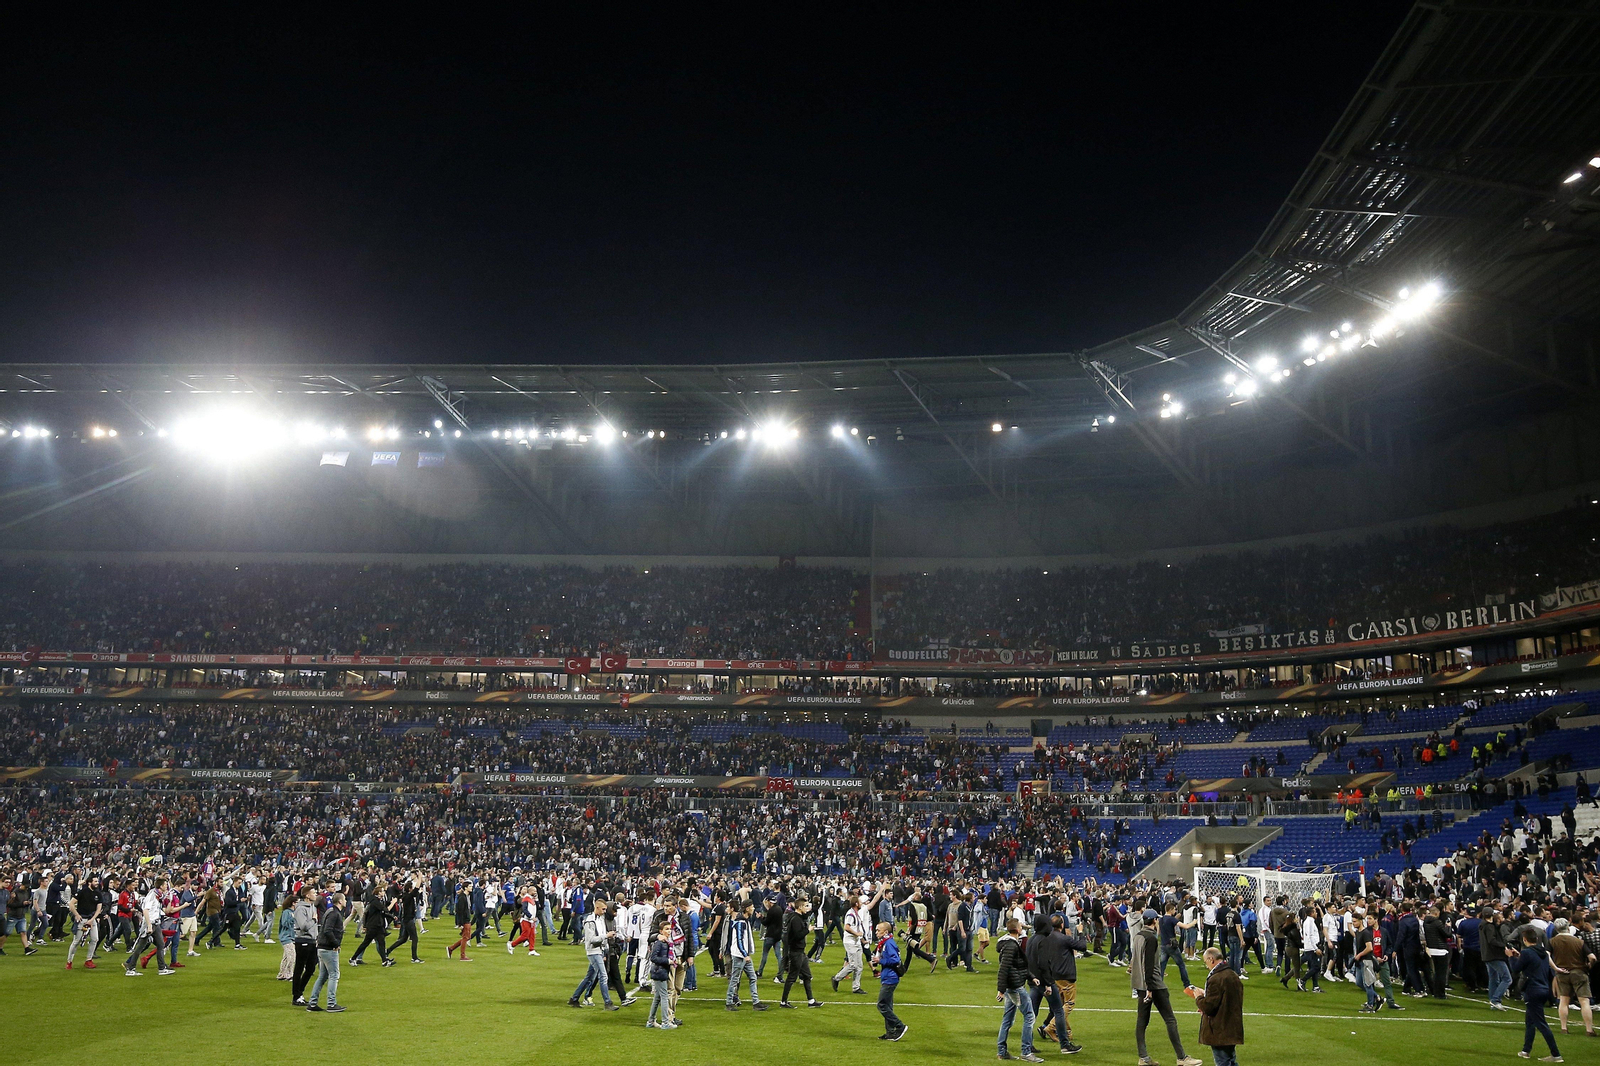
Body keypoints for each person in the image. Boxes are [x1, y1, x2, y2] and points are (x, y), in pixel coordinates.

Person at [1131, 908, 1202, 1066]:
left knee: (1142, 1021)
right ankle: (1182, 1057)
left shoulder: (1138, 936)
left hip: (1141, 985)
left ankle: (1143, 1057)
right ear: (1155, 921)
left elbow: (1135, 960)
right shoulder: (1150, 938)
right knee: (1170, 1020)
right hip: (1153, 985)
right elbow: (1149, 964)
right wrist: (1150, 987)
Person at [1508, 926, 1562, 1061]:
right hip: (1544, 989)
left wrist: (1511, 957)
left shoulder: (1527, 953)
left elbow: (1515, 969)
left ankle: (1556, 1054)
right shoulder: (1543, 952)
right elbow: (1533, 963)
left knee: (1541, 1023)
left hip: (1532, 990)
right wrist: (1519, 956)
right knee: (1530, 1022)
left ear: (1524, 940)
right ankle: (1526, 1050)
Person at [1185, 946, 1244, 1066]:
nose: (1206, 965)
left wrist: (1199, 997)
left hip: (1220, 1028)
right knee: (1231, 1060)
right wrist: (1206, 994)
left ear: (1211, 959)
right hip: (1232, 1026)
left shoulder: (1216, 978)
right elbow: (1225, 999)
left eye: (1206, 961)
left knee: (1222, 1062)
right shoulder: (1232, 975)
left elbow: (1209, 1007)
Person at [996, 916, 1043, 1062]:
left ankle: (1002, 1051)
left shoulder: (1009, 943)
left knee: (1008, 1019)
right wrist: (1001, 990)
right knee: (1030, 1017)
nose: (1022, 928)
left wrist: (1031, 977)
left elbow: (1018, 965)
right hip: (1015, 987)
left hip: (1012, 986)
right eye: (1021, 926)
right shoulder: (1011, 946)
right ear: (1017, 929)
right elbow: (1004, 968)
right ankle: (1026, 1052)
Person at [1549, 920, 1595, 1038]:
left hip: (1562, 973)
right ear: (1568, 927)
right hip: (1579, 972)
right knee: (1584, 1002)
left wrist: (1555, 968)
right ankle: (1589, 1029)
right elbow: (1592, 957)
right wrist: (1589, 966)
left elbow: (1546, 955)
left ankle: (1564, 1027)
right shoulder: (1579, 942)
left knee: (1564, 1001)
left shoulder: (1552, 941)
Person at [306, 890, 346, 1013]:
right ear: (340, 901)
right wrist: (336, 944)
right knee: (334, 975)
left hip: (322, 947)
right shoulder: (335, 914)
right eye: (344, 899)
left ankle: (312, 1003)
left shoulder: (330, 911)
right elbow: (328, 930)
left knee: (322, 976)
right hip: (329, 948)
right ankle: (331, 1003)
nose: (345, 901)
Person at [725, 899, 768, 1011]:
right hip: (740, 955)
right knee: (735, 979)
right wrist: (745, 954)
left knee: (753, 977)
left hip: (743, 955)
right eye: (752, 907)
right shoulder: (740, 922)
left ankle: (756, 1002)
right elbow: (739, 940)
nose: (753, 909)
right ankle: (729, 1002)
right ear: (747, 908)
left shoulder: (744, 921)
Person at [780, 897, 823, 1008]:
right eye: (805, 906)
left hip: (800, 953)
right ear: (799, 907)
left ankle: (811, 1001)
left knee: (807, 976)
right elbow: (798, 935)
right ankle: (783, 1002)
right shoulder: (795, 919)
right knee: (792, 977)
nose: (807, 908)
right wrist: (808, 930)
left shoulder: (797, 917)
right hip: (796, 952)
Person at [872, 920, 908, 1041]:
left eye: (878, 930)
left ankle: (899, 1026)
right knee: (887, 1005)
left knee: (881, 1005)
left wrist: (880, 961)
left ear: (885, 932)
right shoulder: (885, 943)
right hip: (888, 976)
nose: (876, 932)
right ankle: (890, 1033)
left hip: (890, 978)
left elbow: (895, 960)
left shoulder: (888, 944)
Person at [833, 894, 868, 994]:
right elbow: (846, 927)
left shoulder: (856, 913)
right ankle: (836, 978)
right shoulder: (850, 914)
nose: (862, 904)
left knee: (859, 965)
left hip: (856, 942)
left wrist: (861, 939)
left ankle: (856, 987)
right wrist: (857, 934)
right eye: (860, 902)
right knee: (853, 965)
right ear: (856, 903)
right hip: (850, 942)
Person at [646, 931, 676, 1030]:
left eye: (669, 929)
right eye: (666, 929)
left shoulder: (666, 943)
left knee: (657, 997)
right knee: (664, 996)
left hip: (661, 971)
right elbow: (653, 958)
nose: (669, 931)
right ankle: (665, 1022)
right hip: (659, 972)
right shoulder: (659, 943)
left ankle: (650, 1021)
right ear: (661, 931)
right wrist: (668, 961)